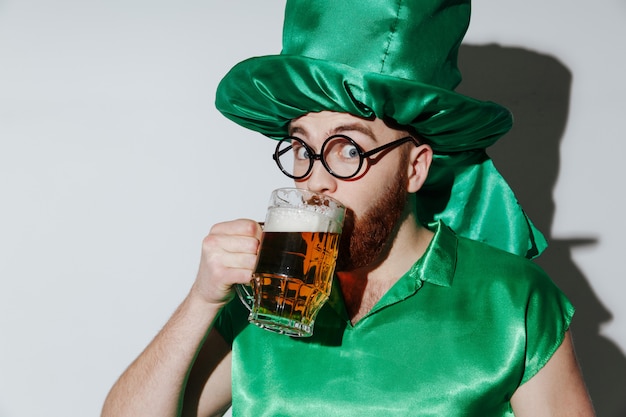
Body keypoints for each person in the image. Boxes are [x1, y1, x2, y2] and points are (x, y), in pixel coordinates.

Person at [102, 1, 595, 416]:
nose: (315, 180)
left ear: (415, 168)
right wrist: (201, 302)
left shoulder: (515, 299)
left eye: (348, 150)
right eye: (301, 148)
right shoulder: (265, 292)